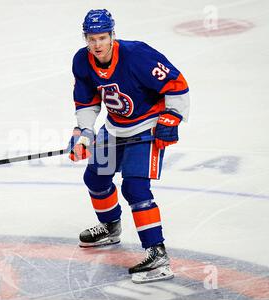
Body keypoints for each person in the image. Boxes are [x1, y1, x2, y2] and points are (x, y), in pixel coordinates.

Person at [67, 9, 190, 284]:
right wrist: (83, 133)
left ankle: (157, 255)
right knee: (95, 178)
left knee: (135, 187)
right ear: (85, 38)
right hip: (115, 126)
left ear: (112, 35)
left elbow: (176, 84)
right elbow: (86, 101)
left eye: (102, 37)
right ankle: (110, 227)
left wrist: (172, 117)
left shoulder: (137, 55)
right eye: (91, 38)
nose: (97, 44)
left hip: (146, 127)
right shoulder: (82, 60)